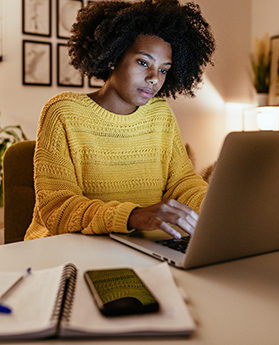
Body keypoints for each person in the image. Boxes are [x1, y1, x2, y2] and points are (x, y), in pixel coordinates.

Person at [24, 0, 215, 241]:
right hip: (66, 249)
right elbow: (58, 209)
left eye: (164, 69)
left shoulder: (160, 114)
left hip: (139, 244)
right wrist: (132, 216)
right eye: (143, 62)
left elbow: (182, 183)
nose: (154, 78)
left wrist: (214, 205)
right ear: (114, 56)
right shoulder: (63, 112)